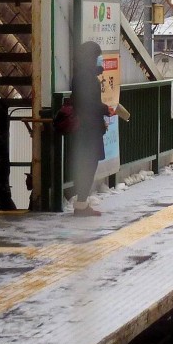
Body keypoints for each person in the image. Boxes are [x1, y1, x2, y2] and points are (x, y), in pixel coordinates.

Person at [70, 41, 112, 217]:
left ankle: (82, 203)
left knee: (87, 164)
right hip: (88, 130)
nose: (99, 59)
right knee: (88, 165)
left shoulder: (83, 75)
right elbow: (88, 103)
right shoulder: (85, 77)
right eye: (97, 56)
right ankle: (81, 204)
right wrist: (105, 109)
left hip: (87, 128)